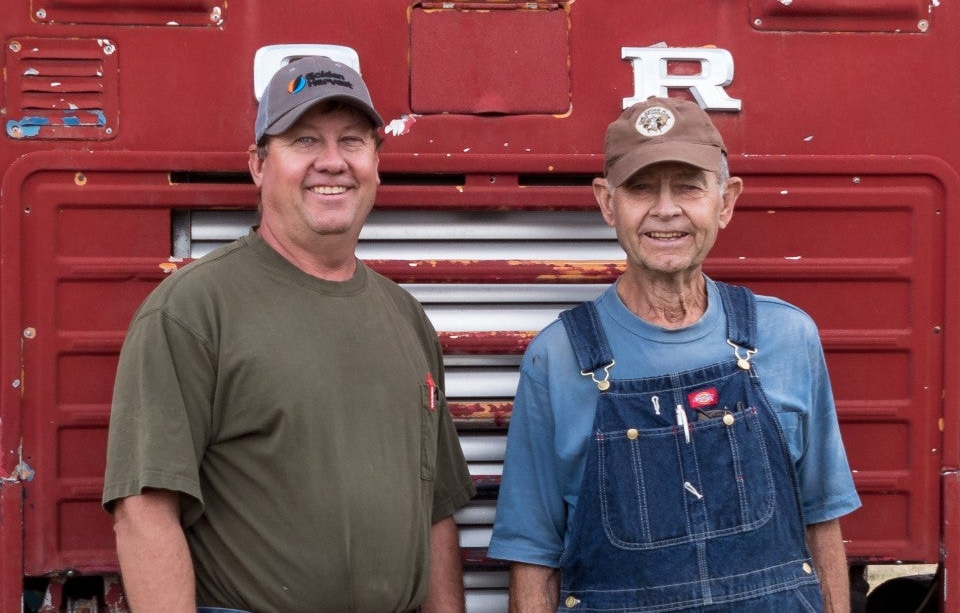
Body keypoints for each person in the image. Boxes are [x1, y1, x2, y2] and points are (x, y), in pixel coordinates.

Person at [102, 56, 476, 613]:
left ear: (376, 160)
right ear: (257, 165)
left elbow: (435, 511)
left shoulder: (405, 316)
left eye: (351, 140)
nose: (332, 163)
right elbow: (144, 510)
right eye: (304, 140)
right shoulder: (192, 311)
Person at [487, 97, 860, 612]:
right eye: (641, 188)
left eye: (687, 185)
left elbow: (822, 522)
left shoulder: (788, 337)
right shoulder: (558, 360)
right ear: (607, 203)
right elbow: (533, 557)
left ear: (725, 201)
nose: (666, 209)